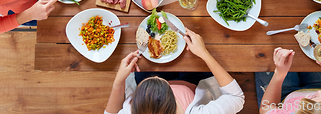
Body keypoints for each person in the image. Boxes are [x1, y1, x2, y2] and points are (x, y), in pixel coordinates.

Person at [105, 28, 245, 114]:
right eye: (164, 83)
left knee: (145, 66)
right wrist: (204, 53)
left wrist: (119, 82)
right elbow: (236, 97)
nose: (158, 76)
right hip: (194, 84)